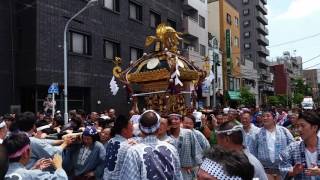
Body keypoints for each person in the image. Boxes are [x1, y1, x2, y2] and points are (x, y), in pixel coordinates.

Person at [120, 110, 183, 180]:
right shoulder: (171, 149)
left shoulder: (134, 151)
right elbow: (178, 175)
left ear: (140, 128)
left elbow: (130, 177)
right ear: (158, 128)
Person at [253, 109, 294, 180]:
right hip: (265, 169)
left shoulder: (284, 131)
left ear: (274, 118)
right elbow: (254, 150)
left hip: (283, 168)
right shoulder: (257, 133)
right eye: (263, 116)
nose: (265, 118)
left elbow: (292, 147)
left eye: (268, 116)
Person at [279, 112, 320, 179]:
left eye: (302, 126)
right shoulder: (293, 148)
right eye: (297, 126)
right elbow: (282, 167)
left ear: (314, 127)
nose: (299, 129)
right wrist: (293, 171)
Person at [168, 113, 202, 180]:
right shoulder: (166, 136)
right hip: (171, 172)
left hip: (187, 171)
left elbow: (196, 151)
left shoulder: (188, 133)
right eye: (171, 120)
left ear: (180, 121)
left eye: (176, 119)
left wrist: (198, 169)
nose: (173, 121)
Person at [103, 115, 134, 180]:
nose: (133, 129)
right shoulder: (128, 147)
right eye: (131, 127)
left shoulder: (110, 141)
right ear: (124, 130)